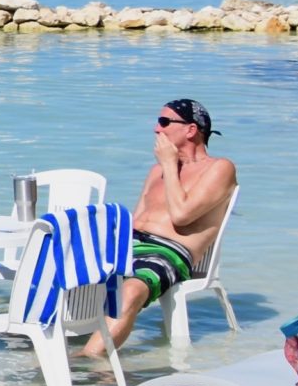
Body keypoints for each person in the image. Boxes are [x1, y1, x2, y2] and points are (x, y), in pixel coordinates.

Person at [83, 99, 240, 356]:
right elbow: (136, 219)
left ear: (191, 130)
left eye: (165, 122)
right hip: (132, 243)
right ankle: (47, 345)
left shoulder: (220, 168)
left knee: (132, 289)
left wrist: (169, 163)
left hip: (169, 251)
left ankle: (88, 362)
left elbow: (181, 216)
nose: (157, 129)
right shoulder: (157, 170)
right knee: (65, 265)